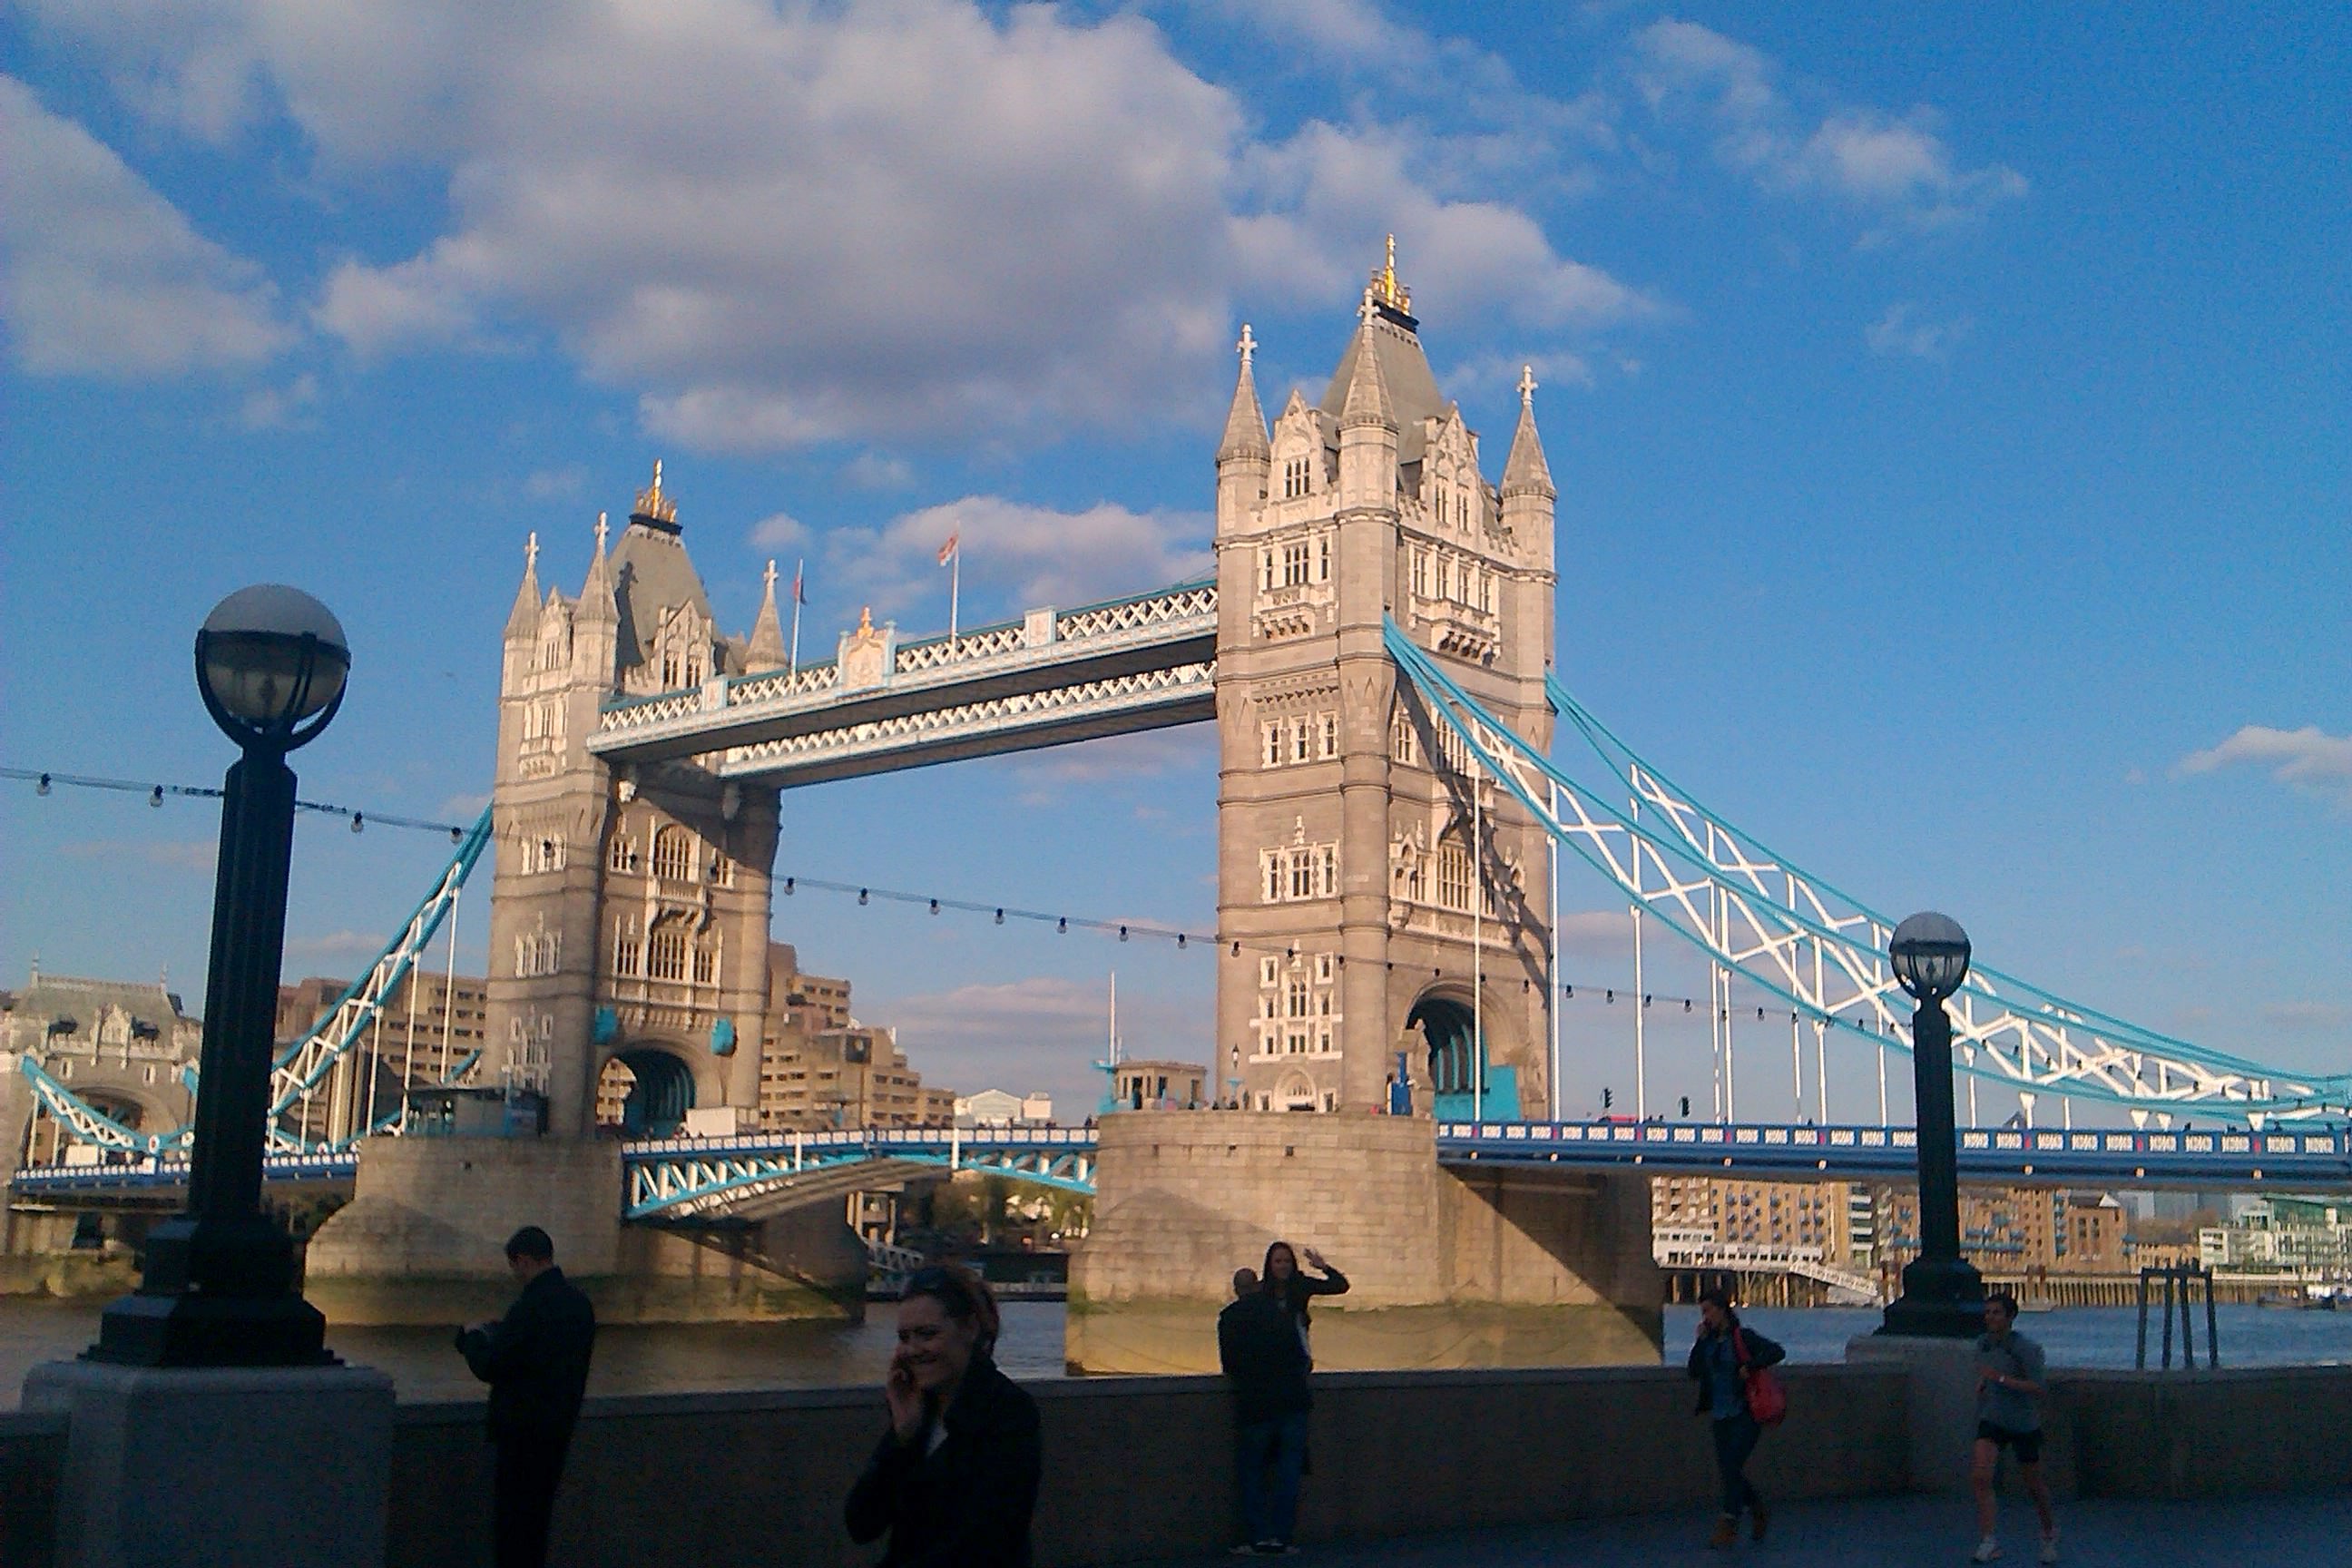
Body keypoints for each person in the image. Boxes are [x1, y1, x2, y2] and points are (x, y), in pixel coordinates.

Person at [847, 1263, 1041, 1567]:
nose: (912, 1350)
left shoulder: (1010, 1413)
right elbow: (861, 1524)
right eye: (904, 1337)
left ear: (970, 1328)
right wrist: (902, 1438)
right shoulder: (918, 1415)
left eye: (927, 1334)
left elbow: (982, 1540)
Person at [455, 1225, 597, 1568]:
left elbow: (494, 1366)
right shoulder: (580, 1305)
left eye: (514, 1267)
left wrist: (471, 1340)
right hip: (558, 1430)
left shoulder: (529, 1306)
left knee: (512, 1527)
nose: (515, 1275)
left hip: (518, 1433)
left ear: (522, 1260)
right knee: (537, 1524)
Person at [1219, 1267, 1311, 1556]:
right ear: (1257, 1286)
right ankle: (1282, 1538)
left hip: (1255, 1404)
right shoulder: (1281, 1313)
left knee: (1252, 1471)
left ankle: (1258, 1537)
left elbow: (1230, 1365)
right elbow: (1301, 1356)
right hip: (1292, 1401)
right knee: (1288, 1472)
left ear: (1236, 1290)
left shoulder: (1230, 1317)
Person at [1685, 1287, 1783, 1550]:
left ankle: (1729, 1523)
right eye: (1702, 1312)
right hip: (1720, 1415)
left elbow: (1776, 1351)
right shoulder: (1707, 1342)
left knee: (1730, 1467)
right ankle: (1757, 1508)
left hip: (1746, 1413)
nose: (1705, 1317)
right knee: (1730, 1470)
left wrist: (1748, 1367)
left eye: (1708, 1311)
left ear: (1722, 1310)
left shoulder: (1743, 1337)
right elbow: (1693, 1372)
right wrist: (1698, 1341)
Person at [1972, 1290, 2059, 1563]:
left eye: (1996, 1313)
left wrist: (1999, 1379)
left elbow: (2038, 1387)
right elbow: (1987, 1372)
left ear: (2010, 1317)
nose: (1990, 1317)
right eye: (1987, 1312)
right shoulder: (1982, 1344)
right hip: (1993, 1419)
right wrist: (1984, 1384)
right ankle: (1988, 1541)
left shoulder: (2026, 1349)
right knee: (1981, 1476)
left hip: (2023, 1423)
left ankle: (2048, 1533)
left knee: (2033, 1484)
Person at [1259, 1241, 1348, 1362]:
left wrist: (1324, 1268)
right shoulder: (1261, 1290)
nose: (1283, 1266)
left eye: (1287, 1261)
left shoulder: (1301, 1284)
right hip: (1269, 1352)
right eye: (1278, 1261)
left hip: (1297, 1351)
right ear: (1270, 1265)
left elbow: (1340, 1286)